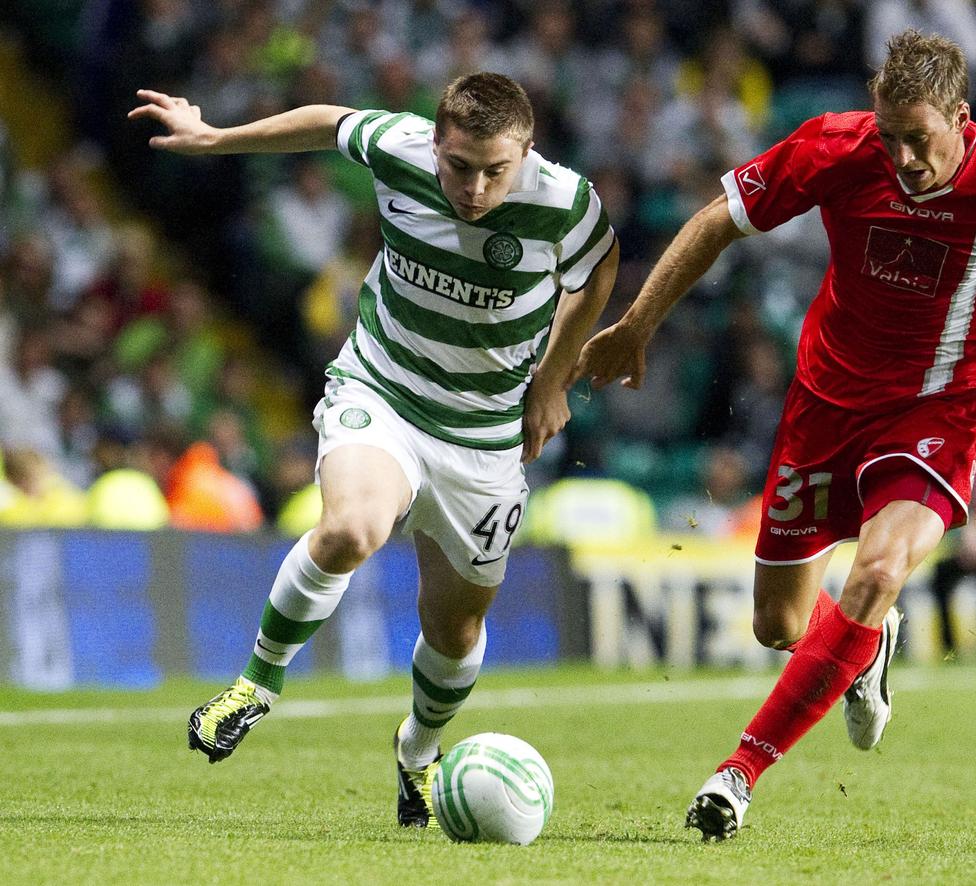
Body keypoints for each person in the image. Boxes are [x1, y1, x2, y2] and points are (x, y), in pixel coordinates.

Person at [574, 29, 976, 840]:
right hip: (825, 406)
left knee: (878, 569)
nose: (902, 156)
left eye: (920, 139)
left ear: (962, 118)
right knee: (780, 628)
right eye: (890, 136)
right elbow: (717, 221)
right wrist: (637, 323)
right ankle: (868, 642)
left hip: (941, 408)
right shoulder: (835, 146)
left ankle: (738, 773)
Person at [128, 73, 618, 828]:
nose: (476, 189)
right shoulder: (398, 146)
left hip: (485, 437)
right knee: (352, 528)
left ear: (528, 151)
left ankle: (418, 752)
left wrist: (555, 376)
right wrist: (217, 136)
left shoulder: (565, 201)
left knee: (455, 630)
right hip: (382, 391)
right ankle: (256, 686)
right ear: (436, 142)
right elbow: (328, 121)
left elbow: (601, 267)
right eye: (460, 167)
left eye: (497, 171)